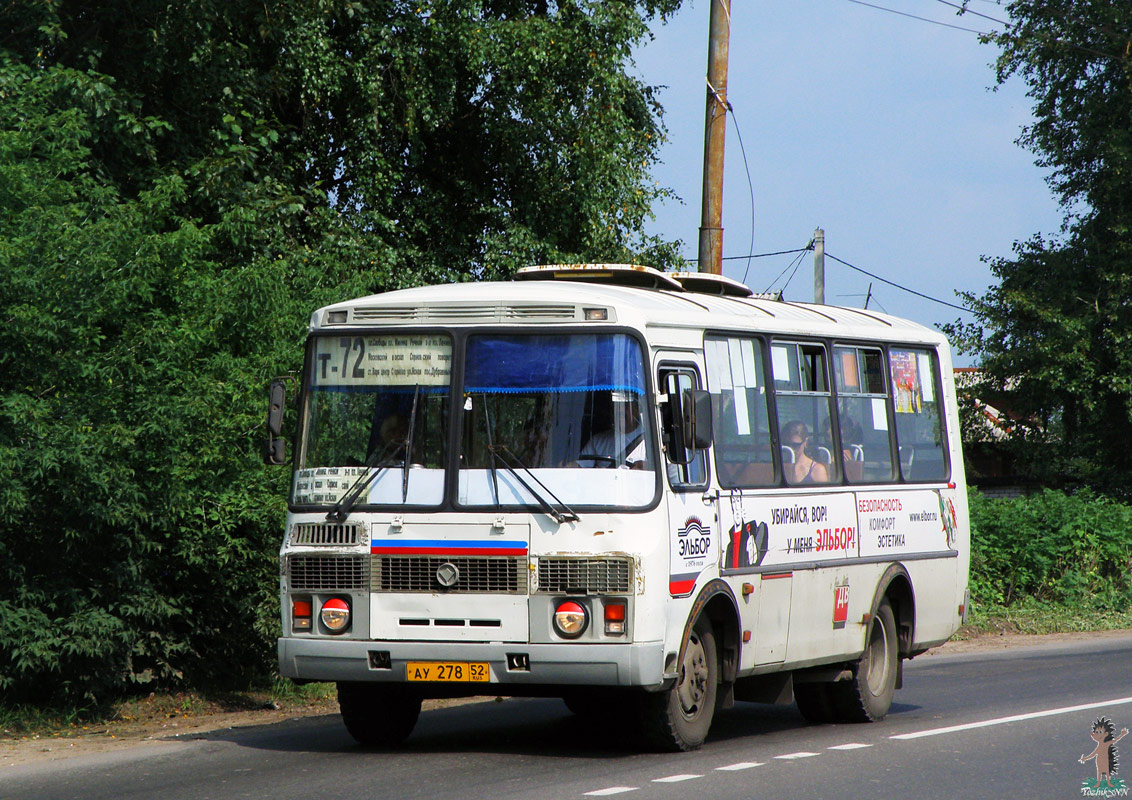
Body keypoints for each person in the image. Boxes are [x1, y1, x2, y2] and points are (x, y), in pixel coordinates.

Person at [578, 391, 649, 469]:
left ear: (636, 409)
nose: (621, 410)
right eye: (616, 406)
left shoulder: (651, 442)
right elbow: (580, 467)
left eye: (626, 406)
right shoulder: (598, 441)